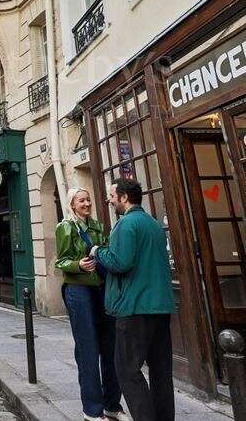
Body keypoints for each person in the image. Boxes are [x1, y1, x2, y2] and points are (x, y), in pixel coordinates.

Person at [91, 178, 176, 421]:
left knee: (127, 370)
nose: (110, 200)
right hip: (160, 306)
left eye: (112, 195)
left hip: (134, 307)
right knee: (161, 372)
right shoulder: (152, 223)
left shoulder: (125, 224)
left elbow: (120, 262)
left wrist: (98, 251)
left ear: (124, 197)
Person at [55, 188, 126, 421]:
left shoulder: (97, 226)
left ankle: (112, 404)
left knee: (110, 347)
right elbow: (61, 261)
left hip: (101, 287)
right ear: (72, 205)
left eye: (88, 200)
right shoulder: (65, 227)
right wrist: (78, 265)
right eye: (81, 200)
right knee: (88, 349)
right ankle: (92, 410)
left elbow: (105, 250)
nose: (87, 203)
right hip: (78, 290)